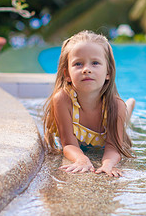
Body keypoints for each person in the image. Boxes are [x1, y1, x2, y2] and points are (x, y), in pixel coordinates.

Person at [43, 30, 135, 177]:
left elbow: (113, 147)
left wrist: (108, 164)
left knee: (125, 110)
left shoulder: (116, 107)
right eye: (78, 64)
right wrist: (81, 159)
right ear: (67, 74)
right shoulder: (63, 100)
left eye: (95, 63)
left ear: (108, 73)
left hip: (118, 110)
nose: (86, 69)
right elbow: (69, 144)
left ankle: (130, 106)